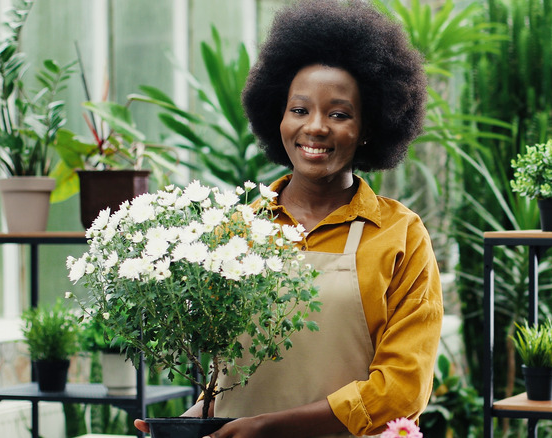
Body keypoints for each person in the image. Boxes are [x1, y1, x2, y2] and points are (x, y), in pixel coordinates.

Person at [135, 0, 442, 436]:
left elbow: (402, 390)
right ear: (277, 116)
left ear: (369, 127)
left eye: (338, 114)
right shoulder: (236, 231)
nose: (315, 127)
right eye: (299, 110)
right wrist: (189, 423)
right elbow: (232, 370)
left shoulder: (400, 235)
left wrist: (269, 427)